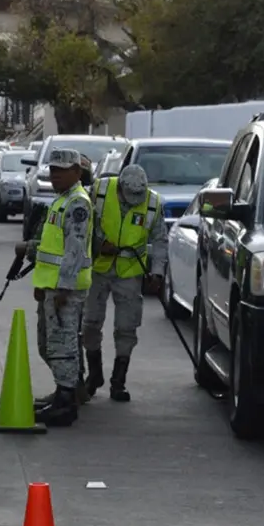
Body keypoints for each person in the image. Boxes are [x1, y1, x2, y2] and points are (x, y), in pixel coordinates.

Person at [13, 148, 94, 427]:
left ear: (77, 172)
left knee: (63, 346)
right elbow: (52, 248)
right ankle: (63, 392)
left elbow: (74, 249)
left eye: (62, 170)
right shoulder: (62, 199)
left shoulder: (77, 203)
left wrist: (63, 288)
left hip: (65, 290)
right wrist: (42, 283)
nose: (55, 175)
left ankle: (66, 402)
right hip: (52, 285)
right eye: (52, 170)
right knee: (50, 344)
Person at [82, 164, 168, 402]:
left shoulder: (152, 203)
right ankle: (94, 375)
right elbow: (82, 225)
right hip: (99, 268)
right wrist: (99, 244)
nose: (133, 201)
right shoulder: (99, 191)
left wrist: (157, 273)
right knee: (90, 322)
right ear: (119, 187)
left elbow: (160, 240)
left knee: (126, 327)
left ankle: (118, 382)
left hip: (130, 272)